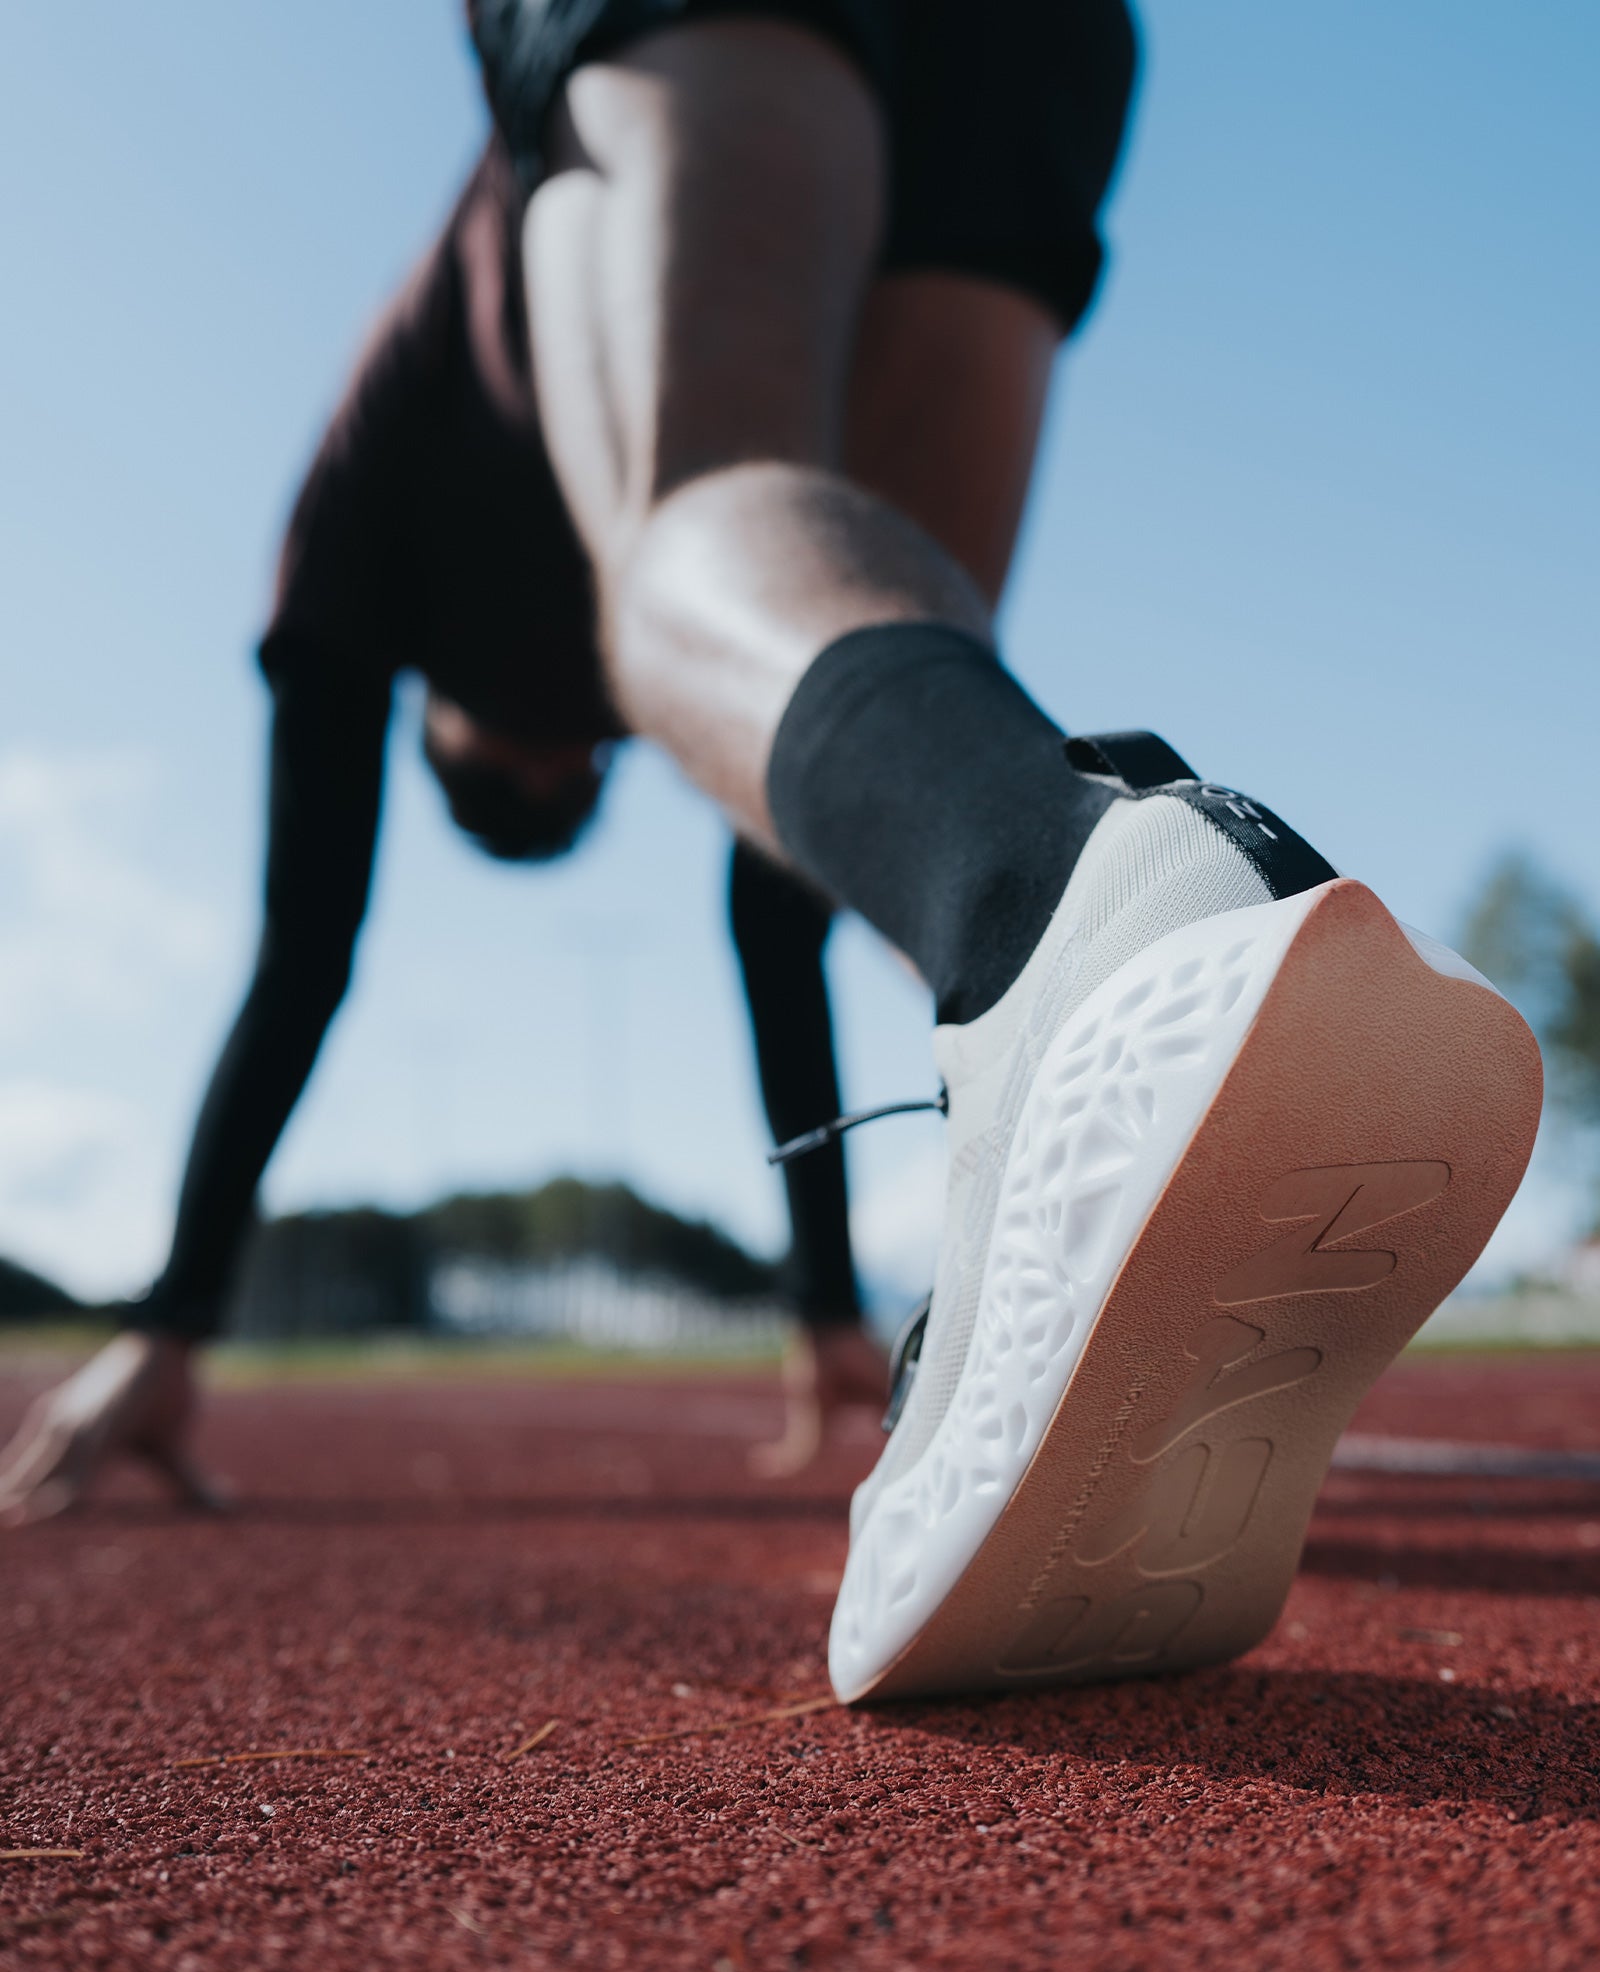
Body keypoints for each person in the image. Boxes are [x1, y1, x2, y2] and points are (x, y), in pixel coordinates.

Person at [464, 0, 1543, 1703]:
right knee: (891, 629)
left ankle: (1076, 900)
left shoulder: (382, 466)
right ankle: (1102, 930)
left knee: (694, 530)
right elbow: (791, 880)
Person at [0, 141, 885, 1528]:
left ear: (441, 713)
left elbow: (309, 949)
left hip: (604, 150)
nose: (569, 738)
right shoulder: (556, 630)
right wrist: (829, 1305)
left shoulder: (354, 548)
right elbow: (775, 910)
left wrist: (170, 1324)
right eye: (579, 759)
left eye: (547, 744)